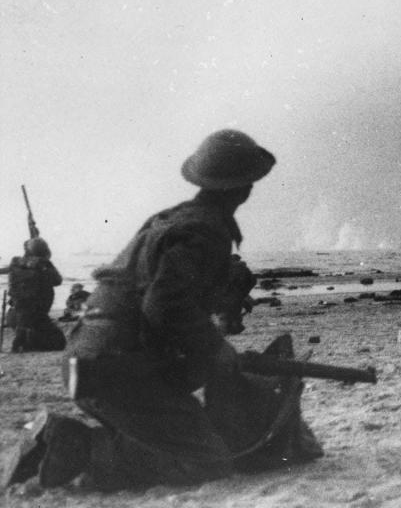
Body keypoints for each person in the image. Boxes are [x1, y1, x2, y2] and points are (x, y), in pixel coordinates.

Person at [2, 129, 323, 491]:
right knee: (208, 461)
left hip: (88, 356)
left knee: (176, 432)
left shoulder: (170, 220)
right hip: (118, 366)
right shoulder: (205, 230)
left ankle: (61, 444)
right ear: (245, 186)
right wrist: (216, 348)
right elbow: (164, 304)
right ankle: (78, 448)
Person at [0, 237, 66, 352]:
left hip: (13, 315)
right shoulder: (43, 263)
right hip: (35, 314)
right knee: (58, 342)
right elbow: (57, 280)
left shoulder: (15, 262)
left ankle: (23, 339)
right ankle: (26, 340)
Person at [213, 254, 258, 336]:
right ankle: (232, 328)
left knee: (224, 315)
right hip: (236, 297)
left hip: (225, 297)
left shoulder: (223, 268)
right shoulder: (244, 268)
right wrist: (244, 292)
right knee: (233, 313)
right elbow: (253, 280)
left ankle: (224, 332)